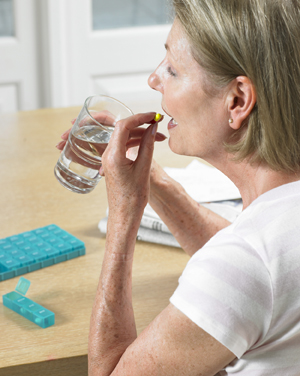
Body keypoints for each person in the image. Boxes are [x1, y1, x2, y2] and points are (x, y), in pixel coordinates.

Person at [57, 0, 300, 374]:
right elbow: (259, 271)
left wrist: (126, 211)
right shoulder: (272, 235)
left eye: (172, 69)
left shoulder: (245, 264)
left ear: (237, 101)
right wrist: (151, 179)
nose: (154, 80)